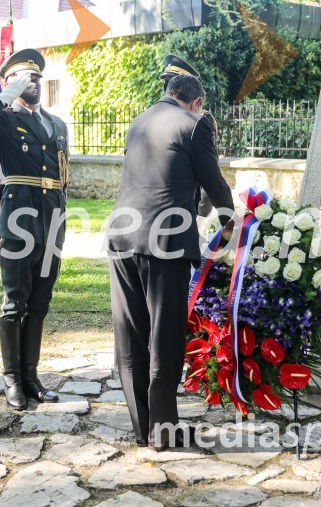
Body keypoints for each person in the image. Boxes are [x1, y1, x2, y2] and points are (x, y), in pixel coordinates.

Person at [107, 74, 234, 450]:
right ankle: (164, 432)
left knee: (130, 337)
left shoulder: (139, 120)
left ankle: (143, 427)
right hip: (165, 240)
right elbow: (213, 181)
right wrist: (232, 223)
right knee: (165, 335)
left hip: (121, 235)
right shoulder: (196, 125)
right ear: (197, 102)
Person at [0, 48, 68, 410]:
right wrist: (4, 96)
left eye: (36, 77)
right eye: (23, 78)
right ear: (9, 83)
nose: (32, 82)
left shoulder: (57, 124)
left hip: (52, 218)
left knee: (40, 300)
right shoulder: (3, 119)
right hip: (18, 217)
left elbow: (61, 175)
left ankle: (31, 376)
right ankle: (11, 379)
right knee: (13, 302)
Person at [160, 54, 214, 218]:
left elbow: (208, 170)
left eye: (173, 83)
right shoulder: (154, 116)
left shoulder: (201, 120)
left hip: (186, 205)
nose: (169, 89)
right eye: (167, 84)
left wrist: (202, 212)